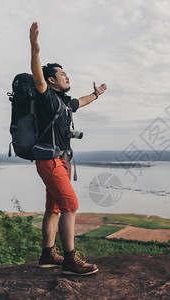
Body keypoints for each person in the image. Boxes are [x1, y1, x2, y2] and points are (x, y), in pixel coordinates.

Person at [30, 21, 107, 275]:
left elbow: (81, 102)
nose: (67, 75)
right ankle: (71, 261)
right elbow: (38, 77)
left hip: (62, 161)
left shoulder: (64, 102)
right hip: (50, 161)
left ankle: (48, 254)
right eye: (62, 74)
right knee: (71, 206)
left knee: (53, 208)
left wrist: (96, 95)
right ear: (52, 80)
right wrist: (35, 50)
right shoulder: (46, 96)